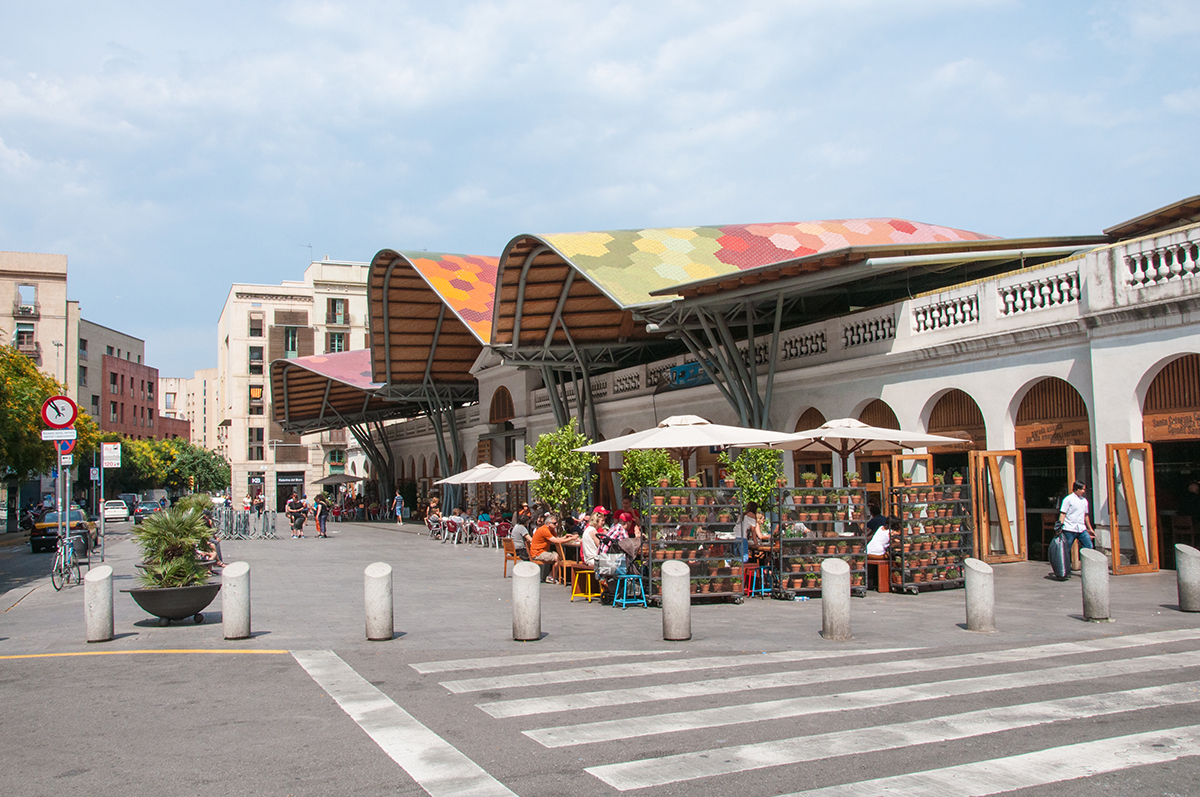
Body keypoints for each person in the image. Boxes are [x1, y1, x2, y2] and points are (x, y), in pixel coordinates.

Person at [528, 513, 579, 584]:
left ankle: (554, 575)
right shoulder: (545, 530)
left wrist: (566, 537)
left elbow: (557, 538)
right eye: (554, 523)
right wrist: (572, 538)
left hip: (542, 551)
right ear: (549, 523)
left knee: (558, 556)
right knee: (556, 557)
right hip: (538, 553)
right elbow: (557, 541)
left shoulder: (551, 530)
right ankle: (551, 576)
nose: (556, 525)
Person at [1057, 480, 1095, 564]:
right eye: (1081, 489)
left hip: (1081, 528)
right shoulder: (1068, 499)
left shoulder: (1084, 501)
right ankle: (1064, 567)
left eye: (1084, 489)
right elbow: (1063, 513)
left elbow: (1086, 515)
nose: (1083, 491)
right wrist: (1060, 525)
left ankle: (1087, 565)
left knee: (1088, 546)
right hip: (1069, 528)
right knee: (1066, 549)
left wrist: (1090, 528)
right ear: (1076, 489)